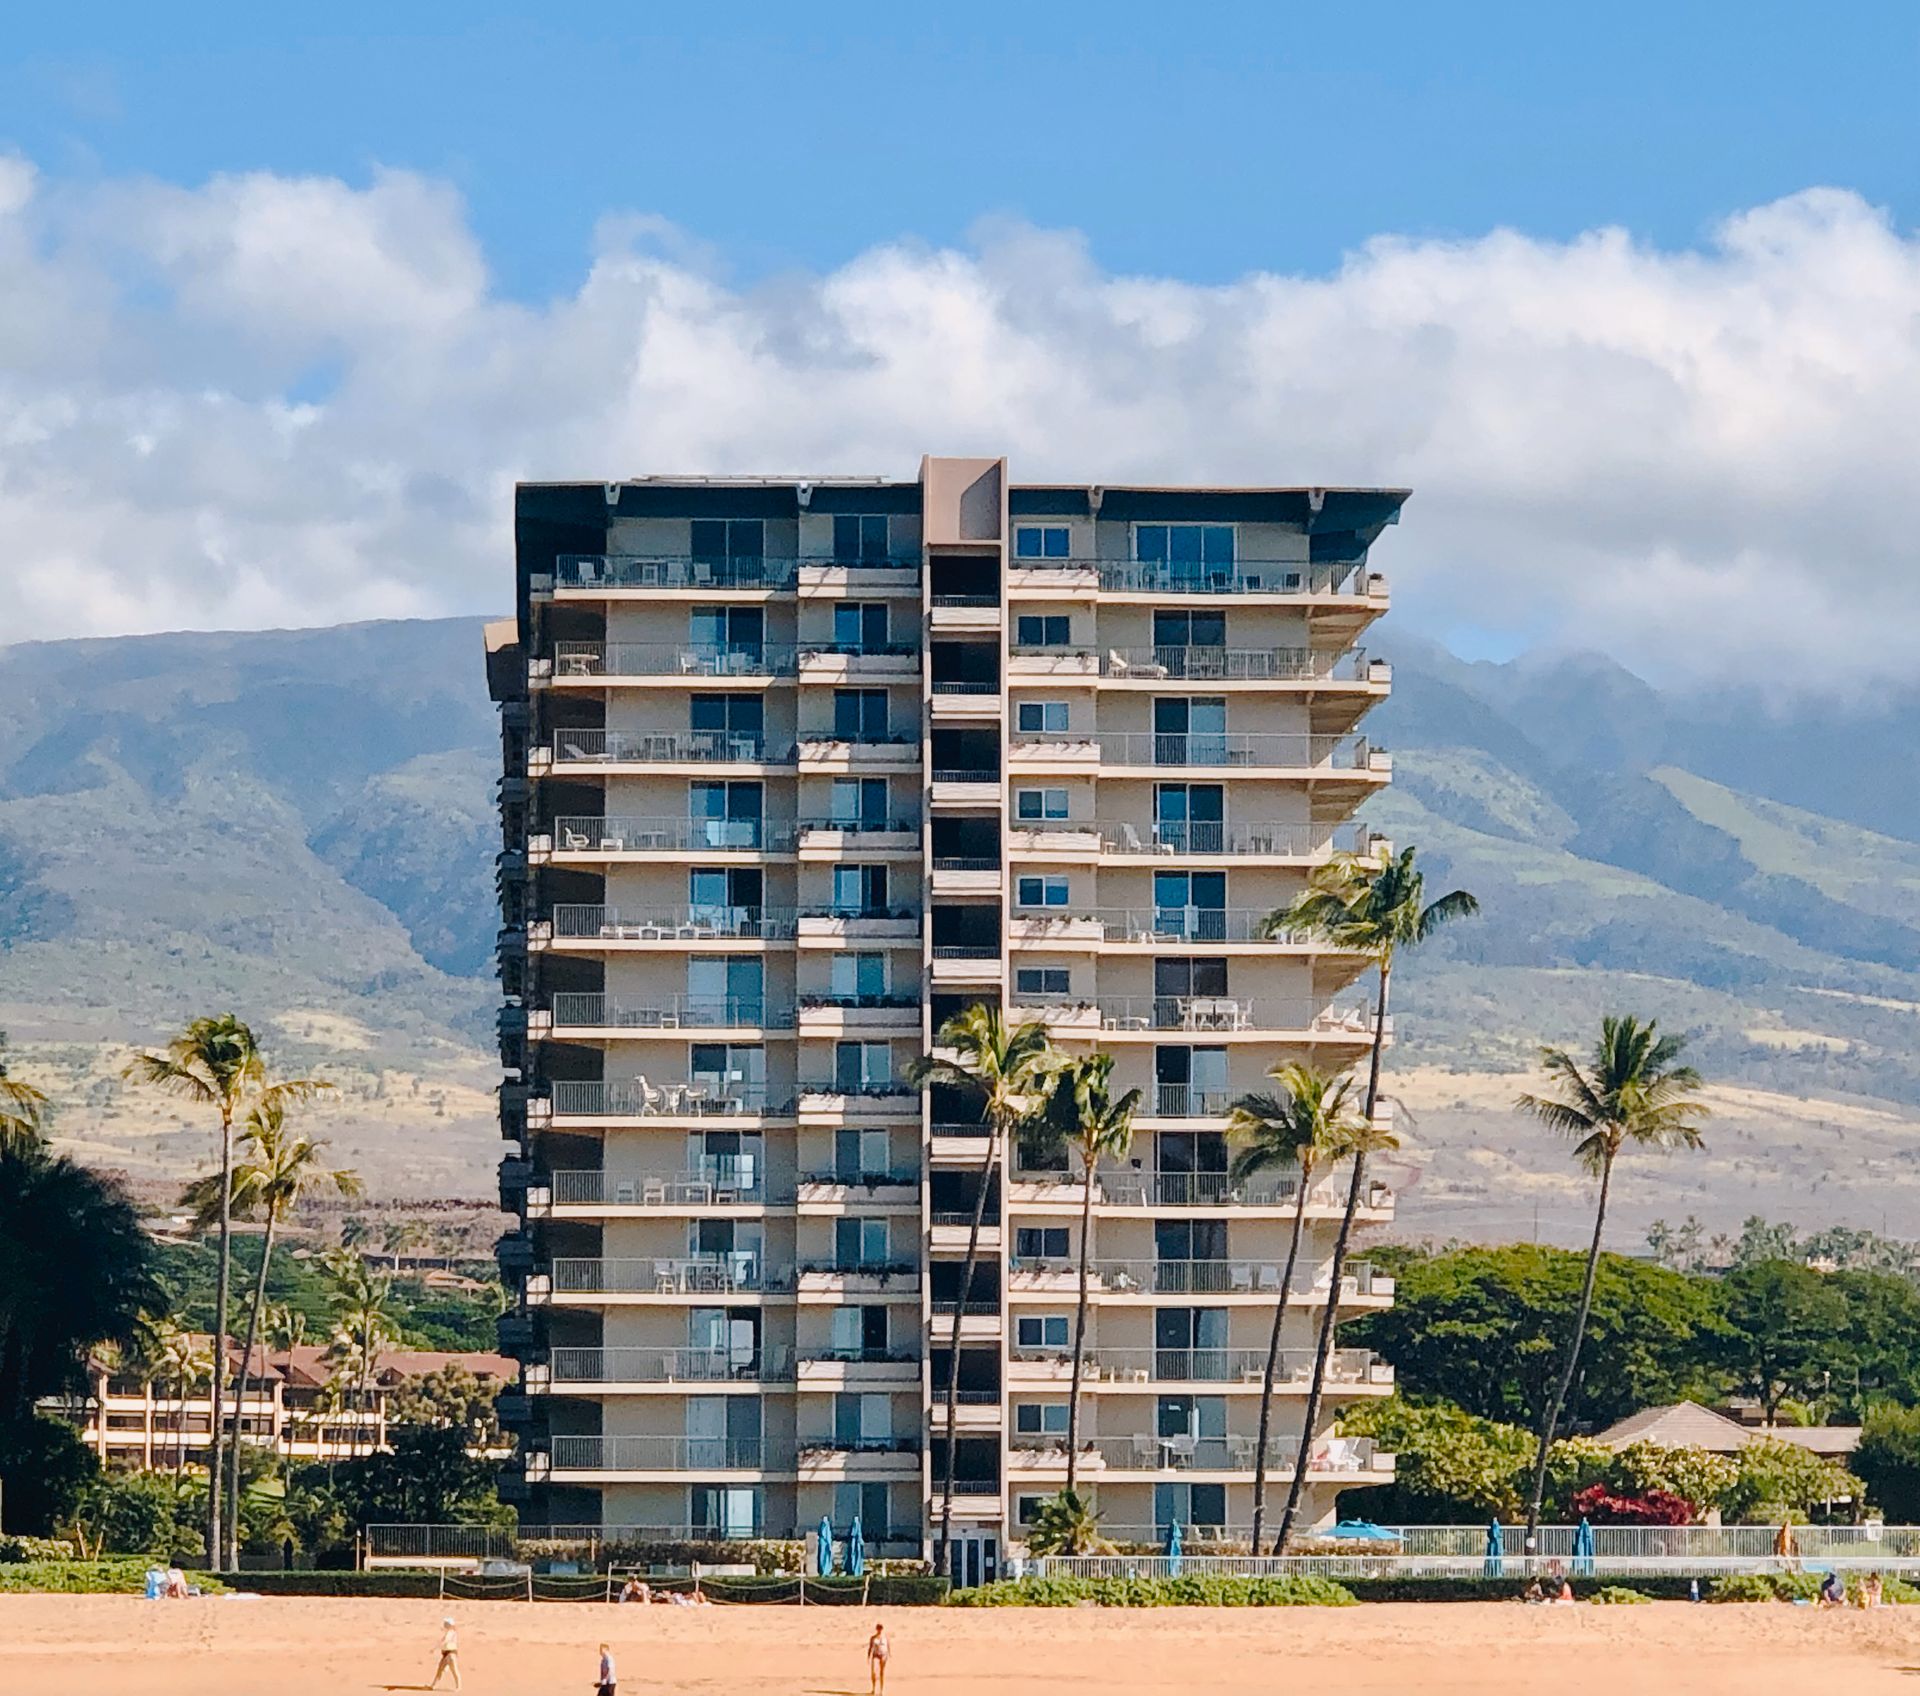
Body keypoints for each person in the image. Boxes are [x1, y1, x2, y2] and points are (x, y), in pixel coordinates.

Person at [429, 1617, 462, 1690]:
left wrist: (435, 1648)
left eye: (446, 1623)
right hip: (446, 1654)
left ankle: (458, 1687)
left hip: (450, 1654)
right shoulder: (450, 1632)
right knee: (440, 1669)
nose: (444, 1624)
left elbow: (444, 1641)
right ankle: (433, 1685)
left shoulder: (450, 1633)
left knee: (454, 1670)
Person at [868, 1621, 889, 1696]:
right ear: (876, 1629)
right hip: (875, 1655)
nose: (879, 1630)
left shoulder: (885, 1637)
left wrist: (888, 1654)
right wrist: (868, 1657)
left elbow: (888, 1646)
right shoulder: (873, 1638)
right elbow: (870, 1647)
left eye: (880, 1628)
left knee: (882, 1673)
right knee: (874, 1672)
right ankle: (873, 1688)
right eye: (878, 1628)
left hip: (883, 1655)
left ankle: (881, 1690)